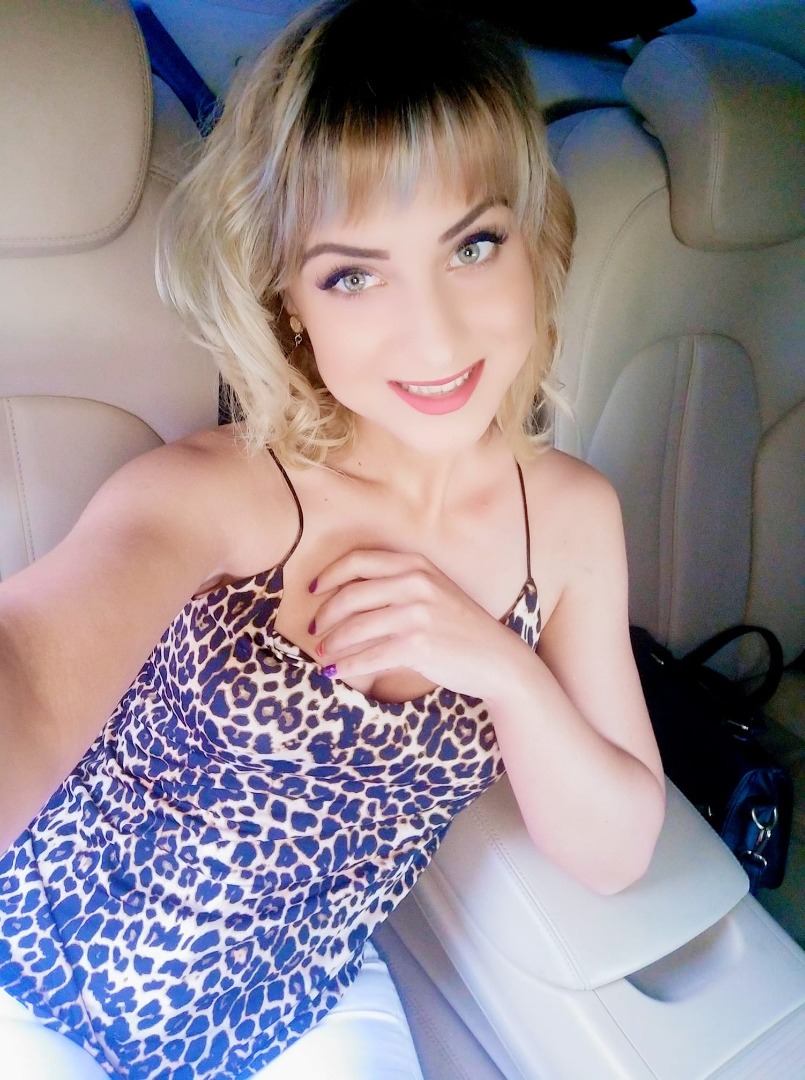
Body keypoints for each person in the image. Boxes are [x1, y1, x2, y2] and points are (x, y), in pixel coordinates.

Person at [0, 0, 666, 1076]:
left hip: (295, 1008)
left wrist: (501, 666)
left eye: (473, 246)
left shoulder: (571, 520)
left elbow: (616, 851)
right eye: (354, 273)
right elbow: (27, 670)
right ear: (290, 300)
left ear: (532, 242)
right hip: (27, 967)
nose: (434, 334)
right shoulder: (221, 492)